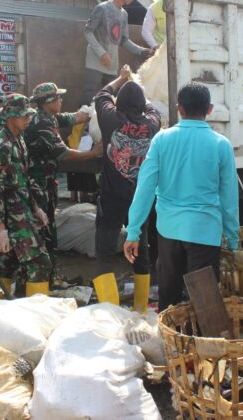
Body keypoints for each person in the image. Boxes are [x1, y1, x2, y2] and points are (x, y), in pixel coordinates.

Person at [125, 82, 239, 312]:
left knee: (169, 301)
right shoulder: (221, 145)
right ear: (209, 109)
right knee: (205, 304)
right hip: (205, 232)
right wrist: (233, 238)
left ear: (179, 108)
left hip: (168, 231)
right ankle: (205, 345)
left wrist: (133, 231)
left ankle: (170, 344)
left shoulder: (161, 140)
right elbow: (229, 198)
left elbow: (145, 187)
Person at [91, 66, 161, 311]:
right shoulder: (152, 124)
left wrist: (121, 79)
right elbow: (152, 108)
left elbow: (101, 95)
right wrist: (138, 87)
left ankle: (110, 312)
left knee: (105, 253)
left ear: (119, 102)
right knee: (140, 252)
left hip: (111, 199)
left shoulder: (110, 119)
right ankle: (141, 309)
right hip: (138, 201)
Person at [25, 82, 99, 265]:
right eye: (58, 98)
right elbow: (63, 154)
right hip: (37, 183)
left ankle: (49, 269)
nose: (61, 100)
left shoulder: (50, 117)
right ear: (48, 101)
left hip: (46, 181)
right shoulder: (42, 122)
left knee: (49, 223)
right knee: (42, 227)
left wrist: (95, 106)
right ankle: (40, 271)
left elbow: (75, 118)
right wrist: (94, 153)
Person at [0, 94, 52, 297]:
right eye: (23, 116)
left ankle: (0, 309)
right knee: (40, 262)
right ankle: (37, 314)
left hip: (23, 209)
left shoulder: (19, 140)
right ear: (10, 117)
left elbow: (23, 179)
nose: (28, 119)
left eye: (28, 115)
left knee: (8, 261)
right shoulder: (0, 146)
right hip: (12, 216)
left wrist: (35, 207)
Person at [82, 0, 154, 105]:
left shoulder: (124, 14)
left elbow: (123, 40)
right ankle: (84, 125)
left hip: (112, 64)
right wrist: (101, 53)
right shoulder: (102, 8)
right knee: (90, 95)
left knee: (111, 97)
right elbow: (88, 31)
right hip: (95, 61)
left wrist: (141, 51)